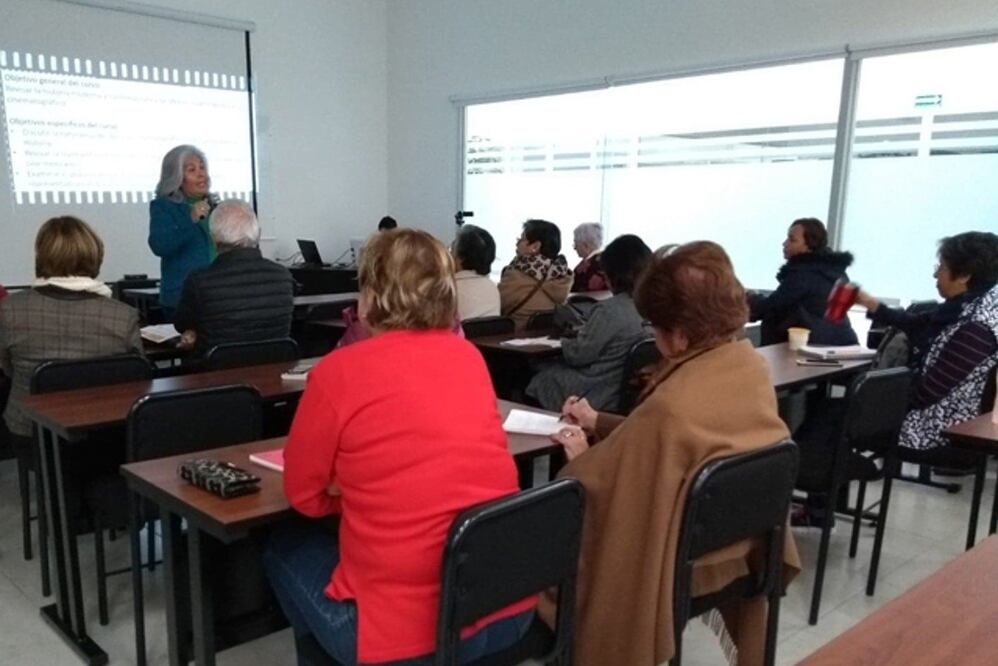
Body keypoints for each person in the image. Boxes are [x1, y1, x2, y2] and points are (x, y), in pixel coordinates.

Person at [263, 229, 535, 665]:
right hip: (503, 608)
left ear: (369, 296)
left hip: (403, 637)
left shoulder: (339, 372)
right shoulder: (468, 358)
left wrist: (360, 501)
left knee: (284, 546)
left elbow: (304, 497)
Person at [542, 241, 800, 666]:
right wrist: (598, 421)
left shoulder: (673, 404)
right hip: (741, 548)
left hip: (677, 560)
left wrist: (580, 454)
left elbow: (608, 489)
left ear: (679, 335)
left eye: (655, 326)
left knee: (545, 546)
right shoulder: (747, 368)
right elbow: (675, 442)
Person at [0, 217, 143, 512]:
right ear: (95, 255)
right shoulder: (122, 316)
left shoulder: (9, 311)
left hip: (32, 435)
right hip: (103, 434)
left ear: (42, 256)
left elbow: (6, 369)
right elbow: (138, 376)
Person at [855, 231, 998, 451]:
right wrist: (869, 303)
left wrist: (869, 397)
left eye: (941, 268)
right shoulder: (969, 308)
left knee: (835, 414)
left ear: (964, 276)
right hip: (941, 418)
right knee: (838, 411)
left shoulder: (975, 328)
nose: (935, 275)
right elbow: (917, 324)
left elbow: (925, 393)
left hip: (933, 429)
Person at [526, 234, 652, 412]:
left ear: (612, 274)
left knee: (540, 375)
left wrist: (566, 340)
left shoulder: (610, 310)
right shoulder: (655, 308)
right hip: (629, 395)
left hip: (595, 392)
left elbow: (578, 355)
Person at [173, 200, 295, 356]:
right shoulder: (283, 276)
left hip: (216, 375)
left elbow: (181, 323)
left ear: (214, 239)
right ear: (258, 234)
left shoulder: (199, 281)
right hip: (274, 370)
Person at [747, 217, 858, 346]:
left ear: (810, 246)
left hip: (811, 349)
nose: (785, 243)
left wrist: (747, 297)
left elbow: (771, 307)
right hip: (843, 346)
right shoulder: (835, 273)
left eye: (792, 240)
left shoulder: (804, 274)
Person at [148, 144, 217, 320]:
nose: (202, 174)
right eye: (192, 170)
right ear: (177, 177)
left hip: (217, 296)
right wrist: (190, 220)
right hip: (182, 299)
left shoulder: (215, 207)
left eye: (202, 168)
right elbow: (160, 246)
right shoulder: (164, 207)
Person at [498, 219, 572, 331]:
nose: (517, 242)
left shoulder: (515, 276)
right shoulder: (562, 277)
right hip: (549, 341)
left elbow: (497, 306)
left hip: (514, 340)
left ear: (535, 247)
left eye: (522, 239)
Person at [452, 224, 500, 320]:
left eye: (451, 249)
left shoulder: (448, 290)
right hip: (489, 335)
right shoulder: (492, 287)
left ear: (461, 258)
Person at [570, 222, 608, 292]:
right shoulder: (610, 260)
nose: (574, 248)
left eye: (576, 244)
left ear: (586, 245)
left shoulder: (582, 269)